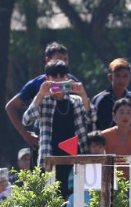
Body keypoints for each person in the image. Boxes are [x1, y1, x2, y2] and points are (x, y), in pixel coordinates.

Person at [21, 60, 91, 199]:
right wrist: (41, 94)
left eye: (62, 77)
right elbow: (26, 120)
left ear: (68, 79)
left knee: (74, 202)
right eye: (54, 77)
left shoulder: (75, 100)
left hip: (74, 159)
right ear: (47, 79)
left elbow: (91, 118)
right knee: (51, 203)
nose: (58, 81)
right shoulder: (43, 100)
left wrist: (83, 95)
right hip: (50, 159)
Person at [5, 42, 80, 150]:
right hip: (43, 143)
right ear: (47, 61)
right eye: (59, 59)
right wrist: (25, 135)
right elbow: (11, 107)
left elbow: (85, 113)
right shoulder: (37, 83)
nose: (64, 62)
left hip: (68, 141)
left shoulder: (73, 83)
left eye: (66, 59)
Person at [91, 58, 131, 131]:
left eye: (125, 76)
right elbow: (93, 126)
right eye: (118, 76)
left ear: (130, 77)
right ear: (110, 77)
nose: (121, 80)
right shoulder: (100, 99)